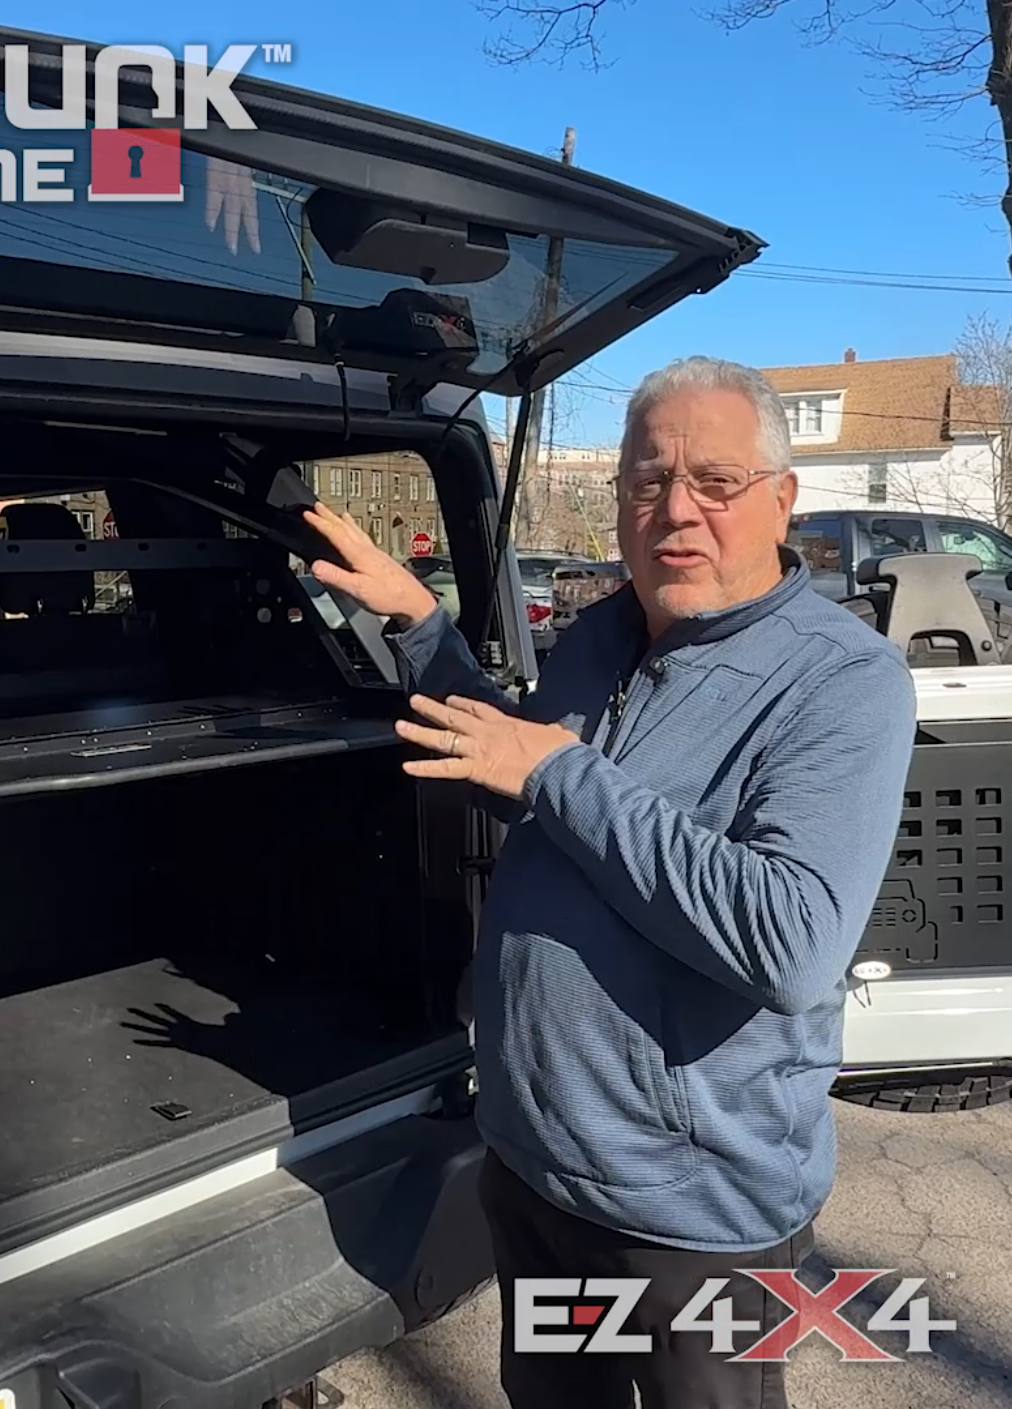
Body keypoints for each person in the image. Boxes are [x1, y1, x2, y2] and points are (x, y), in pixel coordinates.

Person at [301, 356, 917, 1409]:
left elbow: (790, 943)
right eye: (646, 481)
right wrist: (420, 627)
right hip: (534, 1166)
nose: (674, 510)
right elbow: (534, 788)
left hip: (692, 1216)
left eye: (714, 481)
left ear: (780, 499)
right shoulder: (599, 635)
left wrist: (557, 771)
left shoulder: (841, 680)